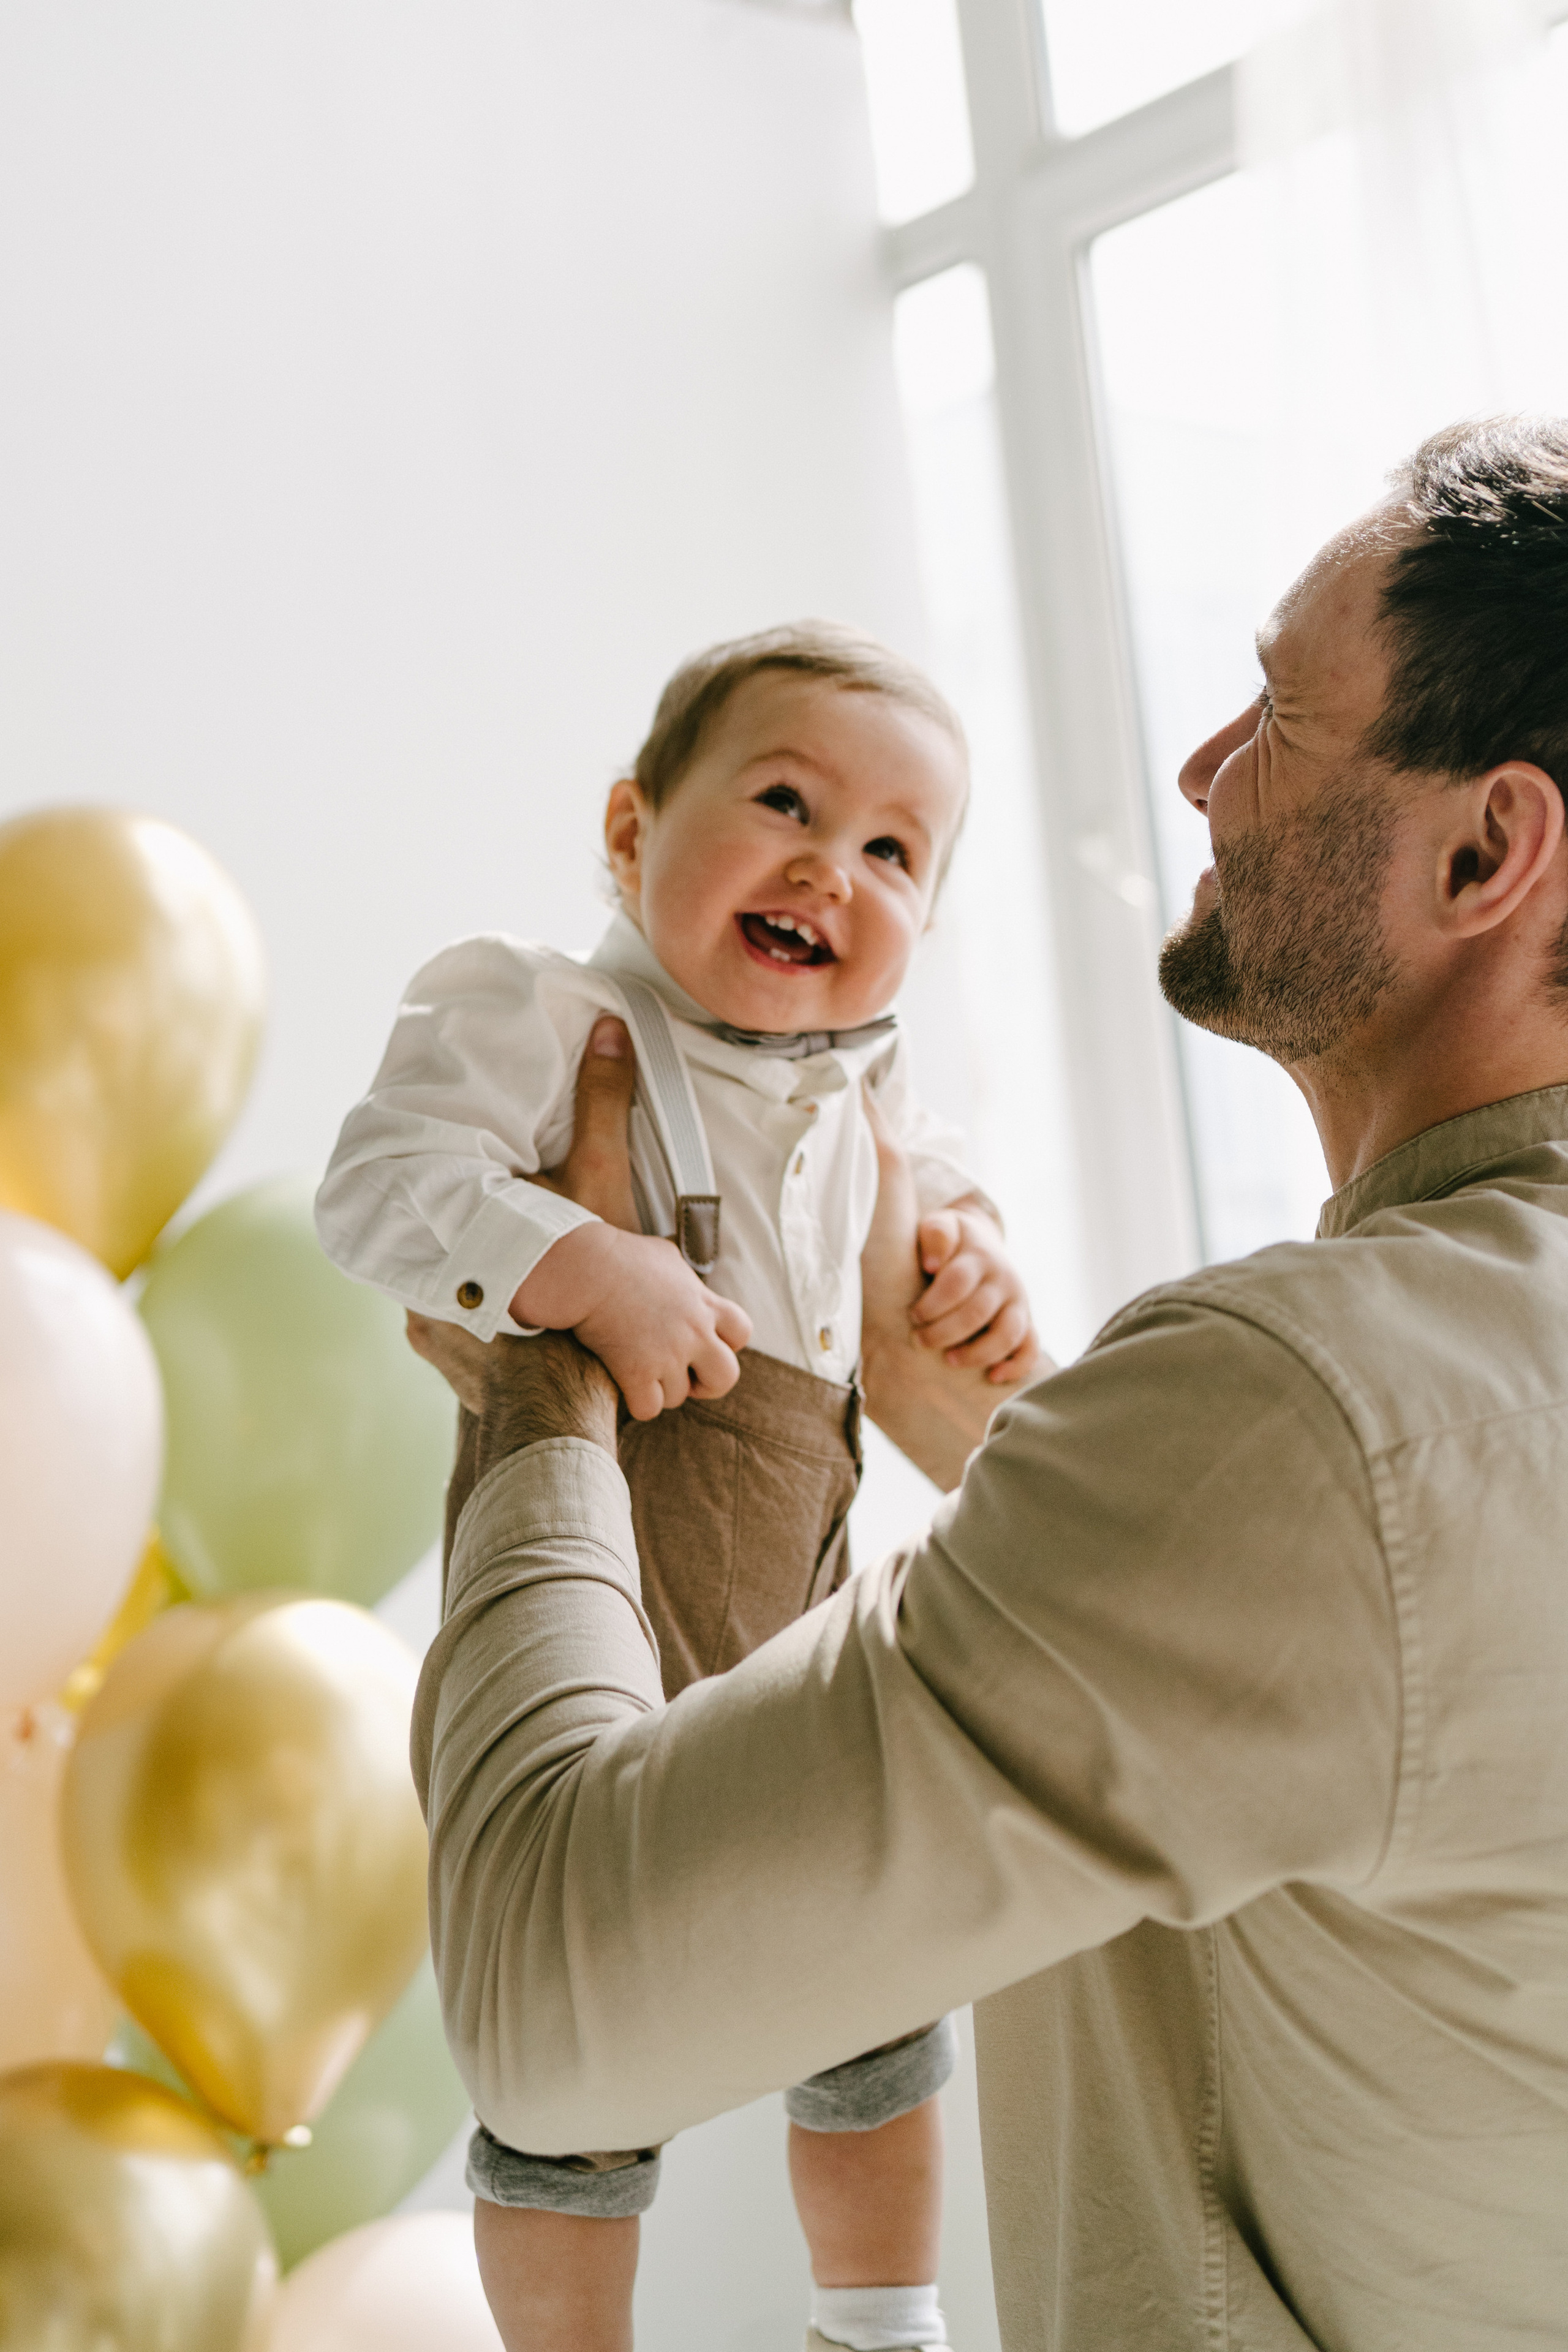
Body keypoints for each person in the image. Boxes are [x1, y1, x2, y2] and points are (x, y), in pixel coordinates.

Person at [407, 415, 1568, 2351]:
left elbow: (546, 2001)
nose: (1202, 772)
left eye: (1277, 712)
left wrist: (544, 1361)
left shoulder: (1296, 1415)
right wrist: (980, 1439)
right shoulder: (1409, 1411)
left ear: (1487, 849)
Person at [315, 622, 1041, 2352]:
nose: (827, 868)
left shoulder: (865, 1089)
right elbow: (377, 1187)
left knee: (877, 2001)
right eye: (784, 801)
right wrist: (579, 1261)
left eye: (891, 852)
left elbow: (934, 1198)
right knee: (571, 2071)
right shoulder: (549, 1014)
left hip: (798, 1615)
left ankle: (884, 2320)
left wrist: (972, 1259)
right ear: (634, 835)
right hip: (593, 1615)